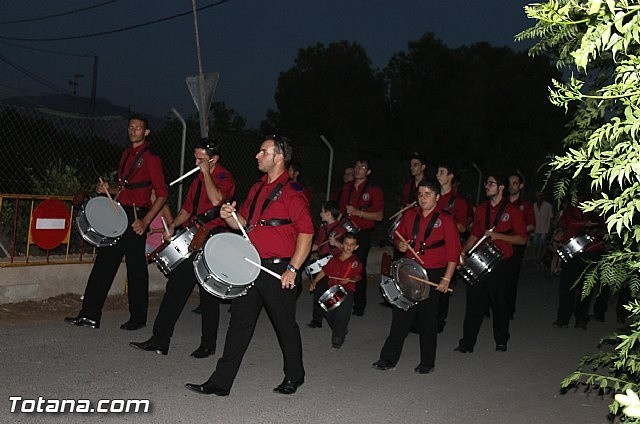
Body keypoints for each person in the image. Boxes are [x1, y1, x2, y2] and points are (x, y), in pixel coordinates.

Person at [185, 135, 313, 397]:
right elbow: (243, 224)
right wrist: (229, 216)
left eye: (263, 152)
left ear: (279, 157)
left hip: (278, 271)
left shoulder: (293, 192)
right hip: (251, 265)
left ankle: (295, 375)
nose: (257, 155)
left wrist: (294, 269)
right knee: (239, 326)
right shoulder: (256, 188)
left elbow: (307, 233)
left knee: (284, 325)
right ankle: (221, 382)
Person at [130, 138, 235, 357]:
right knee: (176, 288)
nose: (196, 162)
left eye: (201, 159)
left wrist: (206, 173)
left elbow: (217, 201)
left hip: (213, 239)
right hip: (192, 237)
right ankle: (160, 339)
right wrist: (172, 226)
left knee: (208, 294)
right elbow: (187, 209)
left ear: (213, 159)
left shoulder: (223, 177)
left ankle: (208, 344)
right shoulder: (197, 180)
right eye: (195, 158)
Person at [65, 114, 167, 330]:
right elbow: (124, 189)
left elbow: (162, 194)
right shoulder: (125, 155)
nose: (133, 130)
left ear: (146, 132)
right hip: (119, 213)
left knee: (136, 268)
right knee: (104, 263)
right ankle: (90, 315)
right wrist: (107, 189)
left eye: (138, 128)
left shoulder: (152, 158)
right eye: (131, 127)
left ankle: (138, 318)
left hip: (137, 217)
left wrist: (146, 221)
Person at [372, 178, 460, 373]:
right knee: (401, 315)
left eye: (427, 194)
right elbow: (397, 238)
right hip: (409, 270)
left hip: (433, 273)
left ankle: (427, 362)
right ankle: (388, 359)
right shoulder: (410, 215)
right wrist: (399, 245)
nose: (423, 198)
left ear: (437, 197)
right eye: (420, 194)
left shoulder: (445, 219)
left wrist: (446, 278)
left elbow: (453, 253)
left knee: (428, 320)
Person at [455, 173, 526, 353]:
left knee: (500, 304)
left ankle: (501, 340)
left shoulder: (513, 211)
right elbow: (475, 235)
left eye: (491, 183)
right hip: (481, 260)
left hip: (502, 263)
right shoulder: (480, 209)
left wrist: (498, 236)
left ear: (501, 187)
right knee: (474, 304)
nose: (487, 186)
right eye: (486, 183)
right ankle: (467, 343)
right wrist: (462, 252)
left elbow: (521, 239)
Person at [336, 158, 384, 316]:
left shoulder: (374, 190)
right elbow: (341, 212)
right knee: (340, 264)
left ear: (368, 172)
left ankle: (359, 304)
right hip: (346, 231)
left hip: (362, 234)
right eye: (356, 166)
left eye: (362, 167)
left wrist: (359, 213)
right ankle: (339, 300)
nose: (358, 169)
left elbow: (379, 216)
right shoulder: (347, 188)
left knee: (357, 267)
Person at [552, 197, 604, 330]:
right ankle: (563, 318)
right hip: (571, 250)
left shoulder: (598, 204)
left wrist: (588, 226)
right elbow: (563, 224)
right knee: (566, 286)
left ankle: (581, 319)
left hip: (591, 250)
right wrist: (559, 232)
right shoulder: (570, 207)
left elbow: (602, 225)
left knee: (585, 287)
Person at [309, 232, 363, 350]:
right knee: (328, 312)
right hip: (333, 290)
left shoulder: (355, 262)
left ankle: (337, 340)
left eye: (352, 244)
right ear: (342, 245)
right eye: (346, 244)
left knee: (342, 315)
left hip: (347, 291)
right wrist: (315, 282)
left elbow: (358, 276)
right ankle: (341, 329)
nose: (349, 247)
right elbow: (325, 271)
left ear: (356, 247)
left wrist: (350, 279)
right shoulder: (334, 259)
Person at [434, 161, 470, 332]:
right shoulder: (432, 197)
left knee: (443, 286)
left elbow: (463, 227)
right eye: (437, 172)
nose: (437, 175)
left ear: (450, 176)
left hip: (447, 248)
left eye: (442, 172)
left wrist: (446, 222)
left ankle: (439, 320)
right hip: (431, 247)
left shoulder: (458, 202)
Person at [307, 200, 346, 328]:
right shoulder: (323, 229)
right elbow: (317, 245)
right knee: (318, 289)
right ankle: (317, 319)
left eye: (322, 211)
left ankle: (334, 319)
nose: (320, 214)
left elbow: (348, 249)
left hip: (335, 264)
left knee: (331, 292)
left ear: (328, 214)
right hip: (322, 263)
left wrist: (337, 244)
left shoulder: (341, 230)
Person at [505, 172, 535, 320]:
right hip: (500, 244)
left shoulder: (526, 206)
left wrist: (516, 231)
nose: (512, 186)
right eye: (510, 183)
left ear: (521, 186)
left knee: (510, 279)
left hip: (516, 246)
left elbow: (531, 225)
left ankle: (508, 309)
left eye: (515, 183)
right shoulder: (503, 202)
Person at [532, 191, 554, 266]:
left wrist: (550, 228)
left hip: (545, 228)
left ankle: (539, 259)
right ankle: (536, 258)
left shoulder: (548, 206)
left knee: (542, 244)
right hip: (536, 229)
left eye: (540, 196)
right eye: (537, 196)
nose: (538, 198)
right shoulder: (533, 206)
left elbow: (551, 218)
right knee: (535, 245)